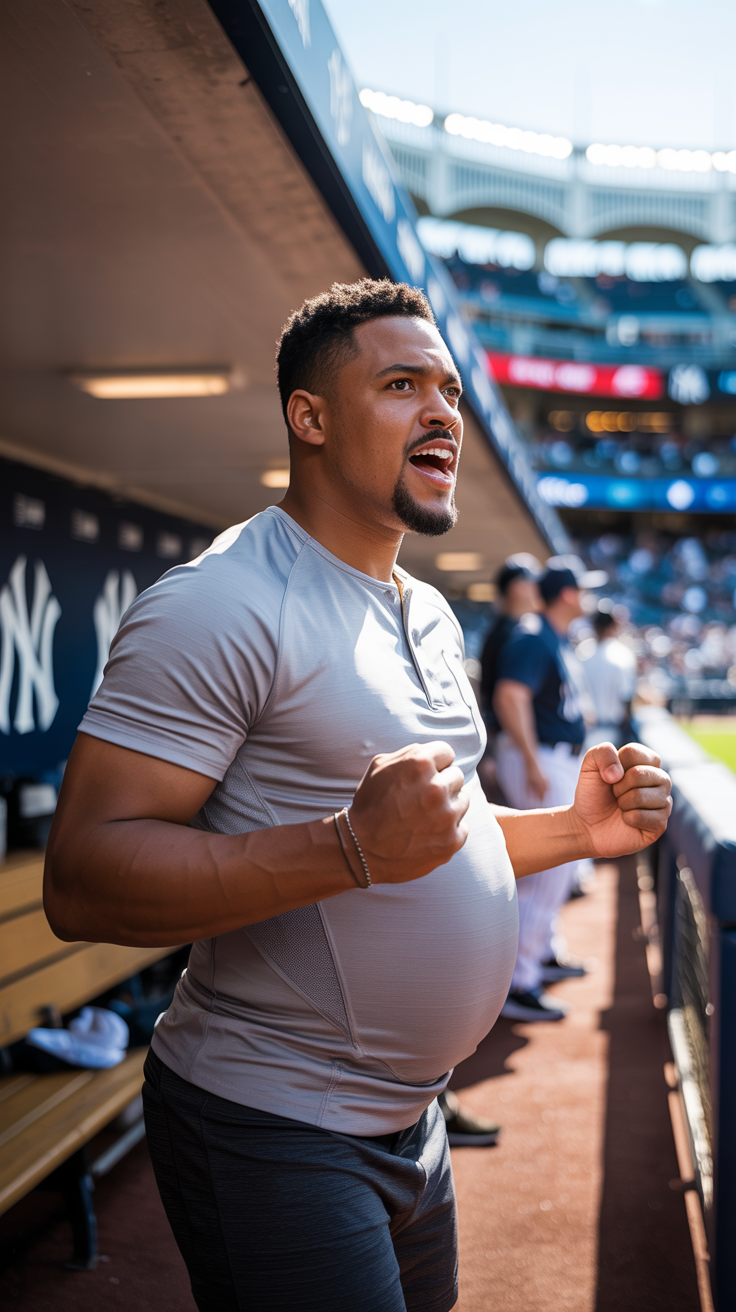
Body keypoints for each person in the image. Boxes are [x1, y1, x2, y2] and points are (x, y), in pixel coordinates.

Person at [44, 280, 671, 1312]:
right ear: (311, 417)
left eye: (453, 393)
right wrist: (344, 847)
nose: (442, 412)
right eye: (401, 384)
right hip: (273, 1121)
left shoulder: (425, 610)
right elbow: (81, 878)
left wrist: (568, 829)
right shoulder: (219, 601)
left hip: (414, 1119)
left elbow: (431, 839)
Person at [494, 559, 605, 1022]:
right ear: (566, 594)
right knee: (543, 872)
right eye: (581, 590)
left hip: (549, 754)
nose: (587, 597)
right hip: (538, 755)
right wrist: (534, 760)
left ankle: (531, 965)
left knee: (549, 872)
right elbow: (509, 695)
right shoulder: (534, 634)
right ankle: (517, 983)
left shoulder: (549, 636)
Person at [479, 556, 542, 724]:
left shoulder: (509, 628)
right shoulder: (510, 633)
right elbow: (508, 697)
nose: (538, 589)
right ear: (517, 588)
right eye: (532, 583)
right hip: (508, 733)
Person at [579, 601, 637, 749]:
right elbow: (627, 697)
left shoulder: (582, 652)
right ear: (614, 625)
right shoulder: (621, 654)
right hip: (612, 732)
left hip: (582, 731)